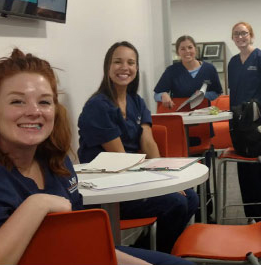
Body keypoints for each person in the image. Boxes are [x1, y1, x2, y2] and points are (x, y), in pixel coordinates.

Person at [0, 49, 191, 265]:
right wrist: (36, 205)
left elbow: (84, 242)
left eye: (44, 102)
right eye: (17, 101)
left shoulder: (55, 160)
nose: (34, 111)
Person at [77, 41, 198, 254]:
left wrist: (166, 177)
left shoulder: (136, 101)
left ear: (136, 68)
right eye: (118, 62)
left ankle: (148, 251)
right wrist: (157, 184)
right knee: (176, 203)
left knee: (191, 197)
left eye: (131, 63)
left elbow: (148, 141)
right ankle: (155, 255)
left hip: (133, 177)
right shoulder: (98, 106)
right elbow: (120, 157)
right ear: (107, 67)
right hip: (109, 187)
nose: (125, 67)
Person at [228, 21, 261, 219]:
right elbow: (233, 92)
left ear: (251, 35)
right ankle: (252, 216)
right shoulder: (232, 62)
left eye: (244, 33)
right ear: (232, 38)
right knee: (245, 169)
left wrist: (259, 110)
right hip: (240, 123)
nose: (240, 37)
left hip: (259, 123)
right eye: (236, 34)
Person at [154, 35, 222, 108]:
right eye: (183, 49)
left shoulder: (209, 69)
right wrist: (163, 95)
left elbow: (217, 93)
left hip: (205, 114)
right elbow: (156, 95)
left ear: (195, 49)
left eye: (190, 47)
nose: (187, 51)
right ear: (178, 52)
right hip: (181, 114)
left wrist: (203, 95)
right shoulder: (171, 71)